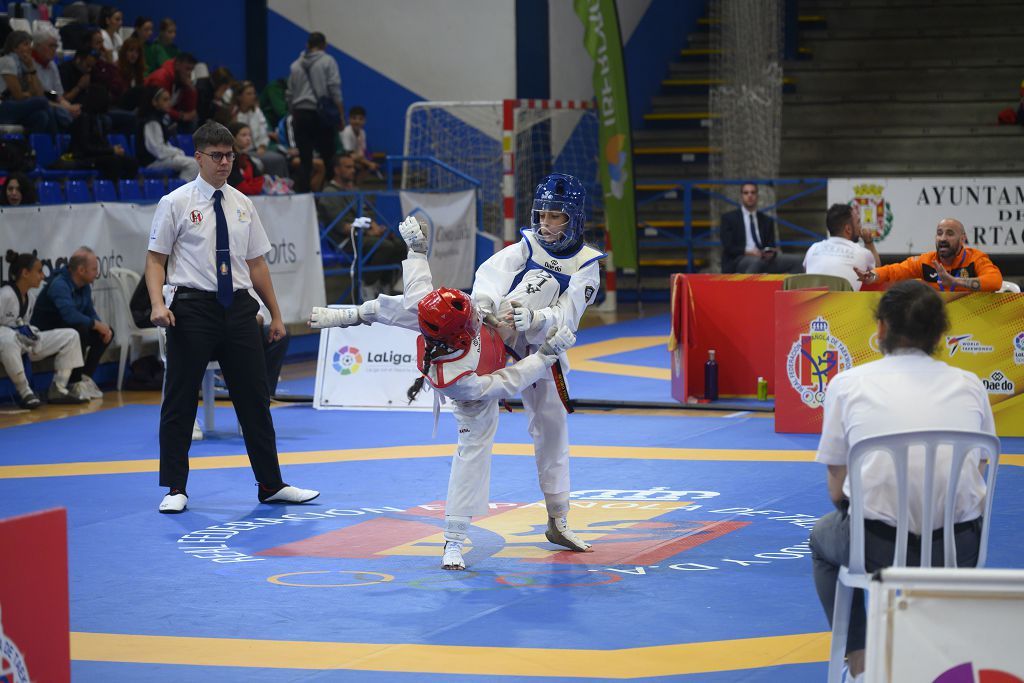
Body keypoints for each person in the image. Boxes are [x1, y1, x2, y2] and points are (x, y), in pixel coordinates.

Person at [309, 216, 581, 570]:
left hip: (500, 338)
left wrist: (416, 251)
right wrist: (545, 356)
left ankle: (347, 314)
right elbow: (509, 382)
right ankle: (453, 539)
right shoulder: (455, 379)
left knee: (413, 305)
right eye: (470, 321)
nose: (473, 318)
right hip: (481, 389)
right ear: (459, 336)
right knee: (472, 453)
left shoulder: (444, 311)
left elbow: (411, 294)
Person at [809, 280, 995, 681]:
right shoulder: (971, 386)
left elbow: (834, 486)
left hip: (876, 550)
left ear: (881, 328)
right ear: (941, 334)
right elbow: (978, 468)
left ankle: (858, 656)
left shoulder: (847, 384)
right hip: (959, 549)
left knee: (822, 538)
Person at [144, 120, 319, 514]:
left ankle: (271, 484)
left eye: (230, 156)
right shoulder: (176, 203)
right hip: (191, 307)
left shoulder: (243, 204)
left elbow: (257, 264)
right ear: (199, 158)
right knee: (179, 400)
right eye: (217, 156)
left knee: (254, 400)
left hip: (239, 306)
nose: (225, 163)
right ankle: (175, 487)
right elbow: (156, 260)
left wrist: (275, 314)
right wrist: (159, 304)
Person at [468, 173, 606, 560]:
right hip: (501, 333)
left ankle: (558, 520)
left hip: (544, 349)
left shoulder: (586, 262)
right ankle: (456, 524)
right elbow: (490, 275)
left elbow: (569, 317)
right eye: (541, 214)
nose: (544, 223)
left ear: (573, 219)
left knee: (552, 428)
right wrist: (484, 304)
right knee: (474, 425)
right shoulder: (526, 245)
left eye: (554, 216)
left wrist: (538, 319)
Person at [1, 252, 89, 408]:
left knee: (71, 335)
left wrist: (29, 333)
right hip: (6, 345)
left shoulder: (31, 298)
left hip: (23, 345)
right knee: (8, 338)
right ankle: (24, 391)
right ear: (25, 273)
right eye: (39, 271)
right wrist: (14, 333)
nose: (42, 276)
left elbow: (24, 324)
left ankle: (59, 387)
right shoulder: (5, 295)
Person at [317, 153, 406, 295]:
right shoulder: (329, 193)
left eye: (353, 167)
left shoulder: (354, 190)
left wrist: (375, 227)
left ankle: (385, 285)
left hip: (363, 235)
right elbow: (342, 227)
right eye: (348, 167)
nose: (352, 170)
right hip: (345, 240)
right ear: (336, 170)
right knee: (384, 246)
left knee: (400, 245)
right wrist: (368, 231)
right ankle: (367, 285)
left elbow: (367, 214)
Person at [31, 247, 112, 400]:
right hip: (47, 334)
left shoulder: (85, 286)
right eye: (94, 269)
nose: (97, 273)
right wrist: (95, 324)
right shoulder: (59, 285)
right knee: (79, 328)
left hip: (69, 329)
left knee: (106, 332)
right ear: (81, 270)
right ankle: (73, 383)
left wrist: (102, 327)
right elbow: (70, 316)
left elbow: (90, 312)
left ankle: (84, 378)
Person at [855, 218, 1003, 292]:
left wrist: (955, 282)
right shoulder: (926, 261)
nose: (943, 238)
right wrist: (872, 276)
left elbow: (995, 281)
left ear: (962, 239)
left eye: (950, 233)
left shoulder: (976, 258)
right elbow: (893, 271)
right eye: (939, 233)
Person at [287, 31, 343, 193]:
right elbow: (334, 88)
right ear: (324, 45)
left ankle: (303, 199)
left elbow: (289, 93)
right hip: (320, 115)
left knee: (305, 160)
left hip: (300, 114)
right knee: (328, 157)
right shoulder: (328, 61)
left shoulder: (295, 65)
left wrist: (294, 112)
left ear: (307, 45)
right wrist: (340, 114)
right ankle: (331, 196)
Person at [720, 182, 803, 274]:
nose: (750, 196)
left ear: (757, 196)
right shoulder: (729, 218)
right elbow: (728, 246)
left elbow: (770, 245)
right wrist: (749, 252)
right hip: (739, 259)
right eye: (746, 193)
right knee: (757, 262)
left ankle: (788, 288)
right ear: (741, 196)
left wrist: (771, 252)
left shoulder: (767, 220)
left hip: (764, 259)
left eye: (753, 192)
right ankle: (748, 288)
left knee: (797, 261)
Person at [803, 204, 880, 291]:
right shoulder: (863, 253)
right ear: (848, 229)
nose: (860, 227)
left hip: (812, 304)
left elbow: (807, 274)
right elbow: (878, 274)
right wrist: (869, 242)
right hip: (846, 304)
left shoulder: (813, 249)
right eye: (858, 222)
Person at [68, 84, 138, 180]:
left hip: (98, 156)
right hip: (84, 157)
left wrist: (113, 150)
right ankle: (112, 190)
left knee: (131, 162)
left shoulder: (100, 119)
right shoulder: (83, 119)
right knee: (113, 161)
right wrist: (111, 150)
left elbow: (102, 143)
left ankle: (125, 189)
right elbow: (86, 148)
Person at [0, 31, 58, 134]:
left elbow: (39, 93)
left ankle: (31, 148)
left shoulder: (25, 64)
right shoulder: (7, 61)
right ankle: (57, 146)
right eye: (25, 44)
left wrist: (31, 68)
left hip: (18, 108)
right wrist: (30, 94)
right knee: (42, 102)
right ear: (15, 47)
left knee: (41, 117)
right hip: (4, 106)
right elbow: (18, 96)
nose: (30, 48)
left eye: (30, 44)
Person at [136, 85, 199, 180]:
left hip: (159, 159)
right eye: (165, 100)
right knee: (193, 164)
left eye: (169, 99)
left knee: (194, 163)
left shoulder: (160, 119)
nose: (168, 103)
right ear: (154, 102)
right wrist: (177, 152)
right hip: (152, 162)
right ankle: (179, 193)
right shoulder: (152, 122)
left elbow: (163, 145)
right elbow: (158, 150)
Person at [232, 80, 288, 178]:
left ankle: (280, 185)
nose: (253, 96)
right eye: (249, 94)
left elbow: (264, 132)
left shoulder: (257, 112)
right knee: (267, 160)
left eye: (254, 93)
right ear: (239, 97)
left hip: (258, 148)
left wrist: (262, 145)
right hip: (241, 151)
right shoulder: (234, 114)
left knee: (279, 159)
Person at [31, 29, 81, 131]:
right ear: (38, 46)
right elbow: (39, 94)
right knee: (58, 113)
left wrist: (69, 106)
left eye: (55, 46)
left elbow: (54, 93)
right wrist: (65, 108)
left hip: (51, 100)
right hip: (36, 102)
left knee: (81, 113)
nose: (54, 49)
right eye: (50, 46)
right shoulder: (30, 65)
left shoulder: (52, 65)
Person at [145, 52, 198, 132]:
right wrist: (181, 116)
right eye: (187, 69)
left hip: (166, 115)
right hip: (149, 113)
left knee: (193, 120)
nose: (189, 73)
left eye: (191, 70)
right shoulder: (161, 78)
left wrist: (190, 89)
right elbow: (158, 106)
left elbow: (190, 112)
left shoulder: (182, 81)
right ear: (177, 65)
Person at [340, 105, 379, 179]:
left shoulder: (362, 133)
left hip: (354, 158)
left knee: (365, 164)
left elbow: (362, 153)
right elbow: (349, 155)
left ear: (364, 121)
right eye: (354, 118)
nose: (357, 121)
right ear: (349, 119)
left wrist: (368, 162)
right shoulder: (346, 132)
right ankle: (349, 186)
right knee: (354, 164)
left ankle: (356, 187)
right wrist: (369, 163)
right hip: (340, 158)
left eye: (360, 119)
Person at [226, 121, 264, 195]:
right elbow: (240, 187)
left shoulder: (246, 158)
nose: (248, 138)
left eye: (249, 135)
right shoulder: (229, 159)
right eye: (244, 135)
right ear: (233, 138)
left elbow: (259, 180)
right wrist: (252, 188)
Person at [115, 36, 147, 110]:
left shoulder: (138, 70)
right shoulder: (116, 69)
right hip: (120, 106)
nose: (134, 55)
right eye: (131, 50)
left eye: (137, 52)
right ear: (124, 52)